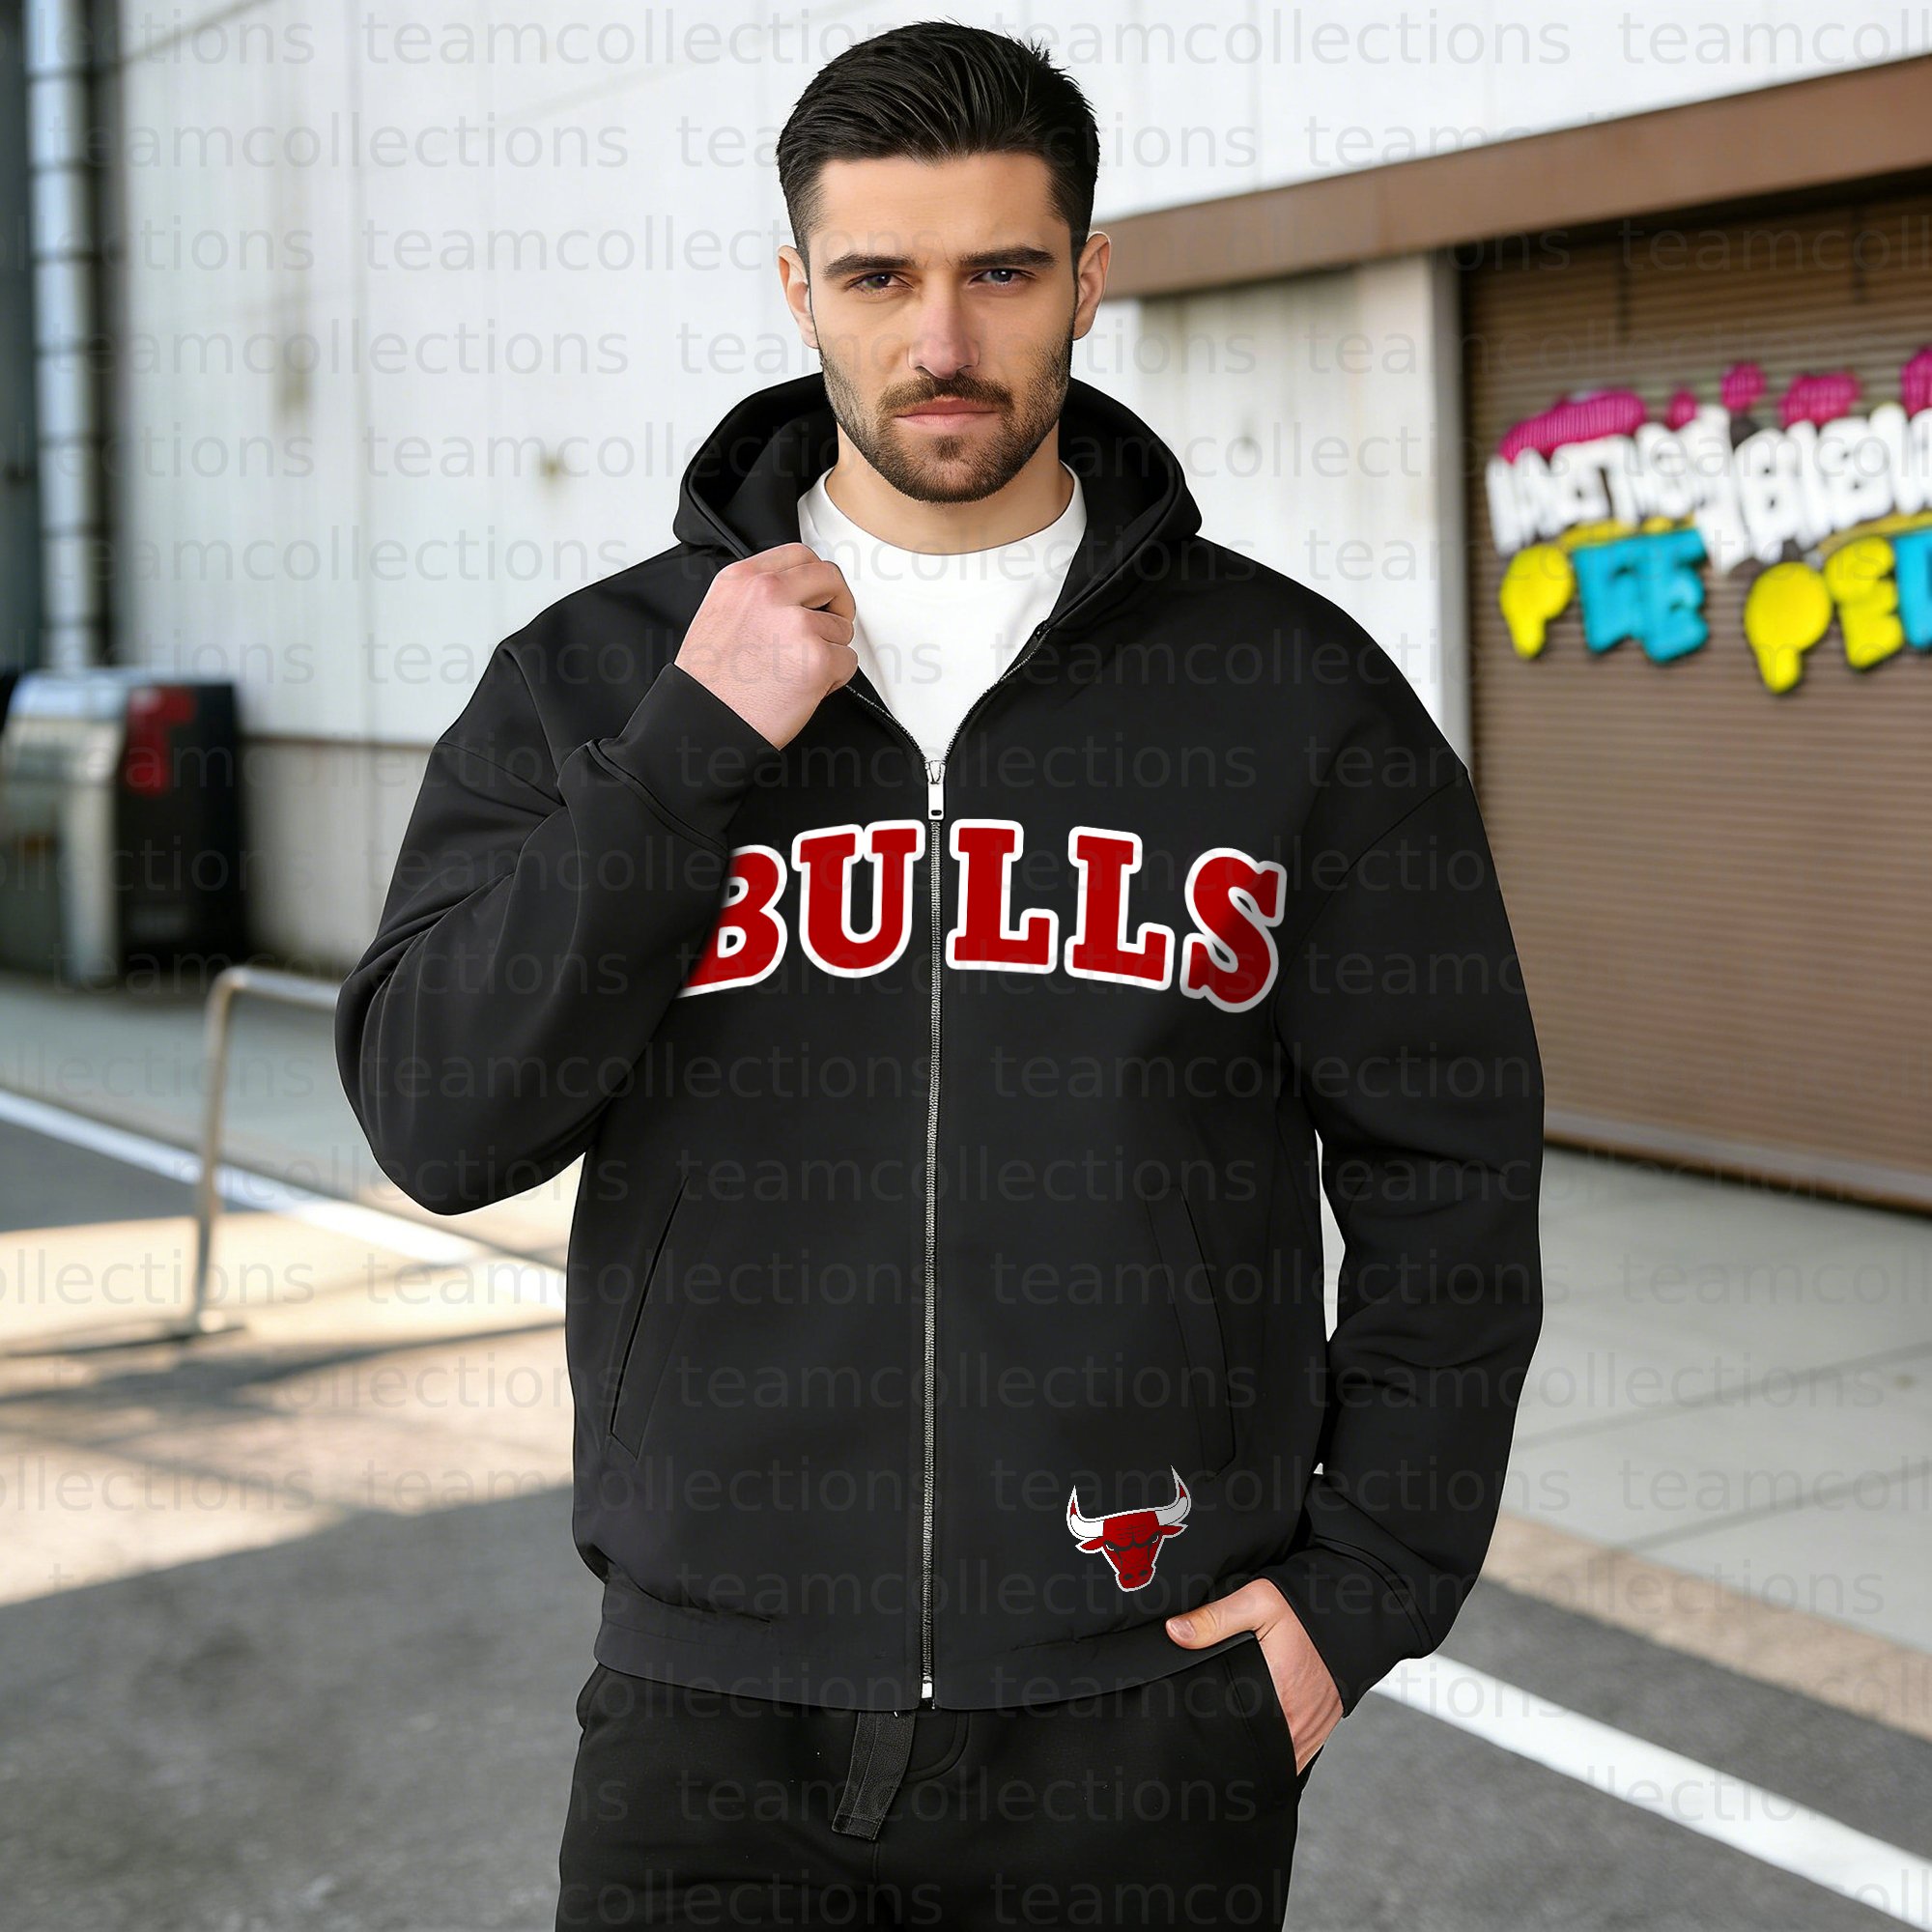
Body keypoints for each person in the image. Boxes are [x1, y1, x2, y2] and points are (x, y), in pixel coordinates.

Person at [334, 20, 1545, 1929]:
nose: (943, 339)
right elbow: (438, 1116)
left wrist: (1358, 1590)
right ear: (797, 286)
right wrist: (685, 751)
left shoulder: (1293, 696)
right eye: (880, 277)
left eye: (1000, 270)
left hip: (1142, 1707)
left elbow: (1449, 1168)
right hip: (707, 1719)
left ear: (1088, 275)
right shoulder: (594, 680)